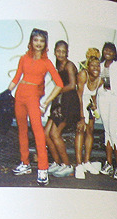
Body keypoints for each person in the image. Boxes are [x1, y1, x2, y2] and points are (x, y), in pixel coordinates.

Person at [7, 28, 63, 186]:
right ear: (31, 42)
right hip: (20, 95)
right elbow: (17, 78)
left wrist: (45, 103)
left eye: (42, 41)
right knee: (22, 130)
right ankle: (25, 163)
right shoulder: (24, 58)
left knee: (38, 133)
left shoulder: (46, 62)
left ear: (45, 43)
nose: (38, 43)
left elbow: (59, 84)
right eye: (36, 40)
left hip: (33, 98)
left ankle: (43, 168)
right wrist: (6, 93)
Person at [44, 40, 79, 178]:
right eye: (58, 51)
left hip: (69, 103)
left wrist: (57, 91)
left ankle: (67, 165)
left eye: (63, 51)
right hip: (59, 102)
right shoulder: (58, 65)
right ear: (54, 51)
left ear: (67, 53)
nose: (60, 54)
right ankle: (57, 163)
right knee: (46, 134)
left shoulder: (69, 65)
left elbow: (72, 85)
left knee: (55, 134)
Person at [96, 42, 117, 181]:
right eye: (105, 50)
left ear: (114, 53)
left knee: (113, 132)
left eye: (110, 50)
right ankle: (108, 164)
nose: (107, 52)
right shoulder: (100, 65)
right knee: (107, 132)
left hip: (115, 100)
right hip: (103, 99)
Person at [74, 54, 103, 179]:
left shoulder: (100, 80)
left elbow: (93, 95)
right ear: (87, 67)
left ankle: (86, 162)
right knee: (80, 130)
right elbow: (79, 96)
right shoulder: (83, 75)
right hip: (78, 103)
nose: (96, 68)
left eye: (98, 65)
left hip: (88, 104)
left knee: (90, 131)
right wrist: (81, 117)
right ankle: (78, 165)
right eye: (93, 65)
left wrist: (94, 107)